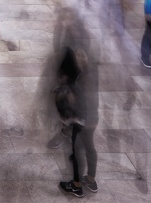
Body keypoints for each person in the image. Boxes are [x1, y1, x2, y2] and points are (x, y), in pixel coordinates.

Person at [55, 47, 99, 197]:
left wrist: (68, 96)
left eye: (81, 56)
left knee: (77, 152)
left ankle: (76, 185)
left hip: (82, 120)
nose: (79, 58)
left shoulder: (83, 80)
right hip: (92, 119)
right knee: (90, 148)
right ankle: (91, 180)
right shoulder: (91, 74)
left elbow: (79, 101)